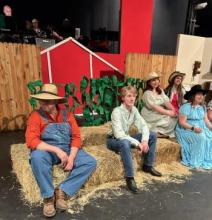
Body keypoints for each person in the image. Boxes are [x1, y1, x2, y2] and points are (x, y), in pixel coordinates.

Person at [25, 84, 96, 217]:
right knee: (36, 157)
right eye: (42, 100)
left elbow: (76, 137)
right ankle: (48, 198)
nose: (43, 103)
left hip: (67, 148)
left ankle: (62, 190)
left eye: (48, 100)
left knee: (90, 162)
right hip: (48, 150)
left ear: (56, 101)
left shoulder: (67, 114)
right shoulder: (35, 116)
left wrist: (72, 157)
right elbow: (31, 141)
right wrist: (57, 150)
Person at [107, 85, 162, 194]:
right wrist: (138, 143)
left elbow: (144, 126)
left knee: (152, 135)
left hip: (126, 138)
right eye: (129, 96)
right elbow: (119, 135)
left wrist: (145, 141)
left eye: (134, 96)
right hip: (114, 140)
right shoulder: (116, 111)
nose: (132, 99)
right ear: (123, 98)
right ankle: (130, 178)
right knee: (125, 143)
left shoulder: (134, 110)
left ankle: (148, 165)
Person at [176, 84, 212, 169]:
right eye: (198, 94)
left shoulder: (202, 107)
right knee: (201, 137)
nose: (201, 96)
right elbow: (182, 122)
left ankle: (205, 159)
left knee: (210, 136)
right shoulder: (186, 107)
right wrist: (193, 128)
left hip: (201, 127)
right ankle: (196, 160)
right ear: (193, 95)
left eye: (202, 94)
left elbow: (206, 119)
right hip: (186, 128)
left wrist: (210, 127)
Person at [141, 72, 177, 138]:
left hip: (159, 111)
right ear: (149, 82)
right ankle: (156, 132)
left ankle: (162, 132)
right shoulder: (147, 93)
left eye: (157, 80)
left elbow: (166, 101)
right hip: (151, 113)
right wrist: (167, 112)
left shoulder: (160, 90)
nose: (156, 82)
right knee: (167, 118)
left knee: (174, 117)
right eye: (153, 80)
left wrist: (173, 109)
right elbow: (154, 106)